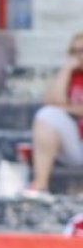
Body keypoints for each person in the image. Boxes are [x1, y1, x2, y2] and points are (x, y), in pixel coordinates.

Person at [25, 31, 83, 199]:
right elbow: (51, 101)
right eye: (74, 51)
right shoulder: (69, 74)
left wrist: (66, 108)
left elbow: (61, 105)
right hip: (73, 146)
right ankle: (40, 183)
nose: (78, 56)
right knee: (47, 115)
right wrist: (65, 70)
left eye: (82, 50)